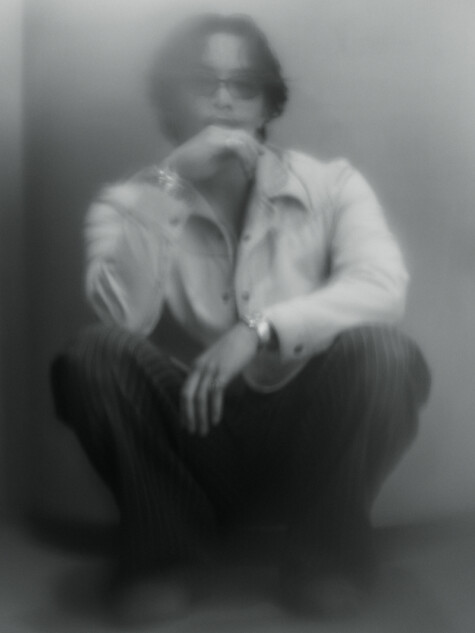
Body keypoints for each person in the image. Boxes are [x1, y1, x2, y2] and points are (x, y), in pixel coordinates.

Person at [50, 12, 431, 621]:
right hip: (194, 437)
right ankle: (166, 557)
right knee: (91, 355)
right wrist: (170, 183)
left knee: (387, 355)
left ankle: (326, 556)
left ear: (267, 105)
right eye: (204, 82)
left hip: (308, 439)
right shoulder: (125, 204)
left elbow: (383, 287)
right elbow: (125, 318)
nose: (224, 101)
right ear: (171, 98)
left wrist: (260, 331)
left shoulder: (332, 186)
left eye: (244, 85)